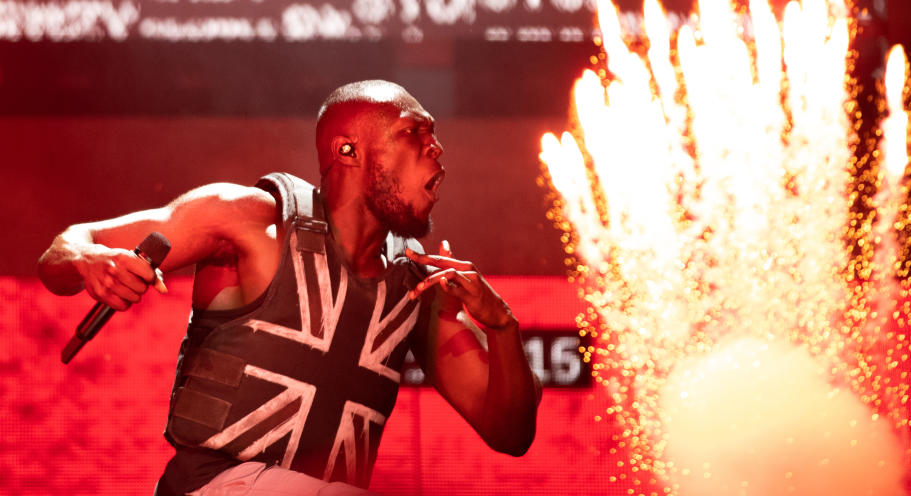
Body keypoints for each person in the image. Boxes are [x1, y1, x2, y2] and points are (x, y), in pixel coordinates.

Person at [38, 80, 541, 495]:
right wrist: (91, 260)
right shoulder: (253, 221)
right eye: (414, 132)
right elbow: (64, 249)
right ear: (348, 150)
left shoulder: (415, 293)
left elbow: (511, 434)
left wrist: (501, 325)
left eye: (435, 136)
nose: (436, 148)